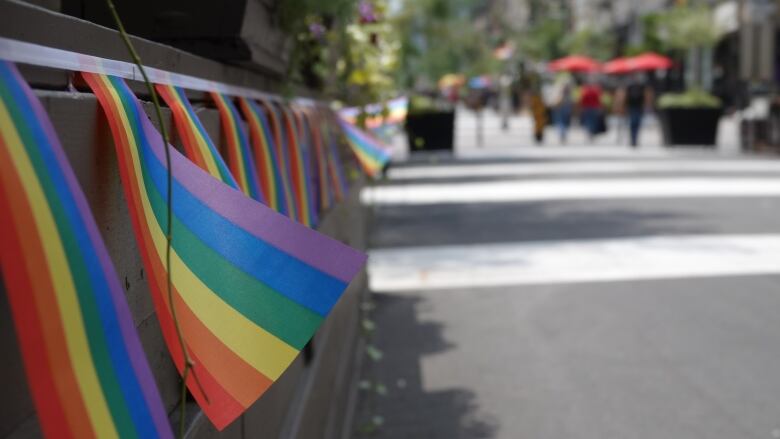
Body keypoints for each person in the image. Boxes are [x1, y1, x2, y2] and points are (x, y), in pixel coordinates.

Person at [622, 73, 653, 147]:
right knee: (633, 123)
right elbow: (625, 97)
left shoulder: (641, 86)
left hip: (638, 107)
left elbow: (646, 97)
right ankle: (633, 139)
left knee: (635, 124)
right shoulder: (630, 86)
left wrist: (647, 105)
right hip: (632, 107)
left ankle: (634, 139)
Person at [551, 75, 573, 143]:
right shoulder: (569, 90)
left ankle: (562, 134)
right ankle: (563, 134)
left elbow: (555, 98)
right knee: (564, 121)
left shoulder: (558, 89)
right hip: (566, 107)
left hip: (560, 107)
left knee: (560, 121)